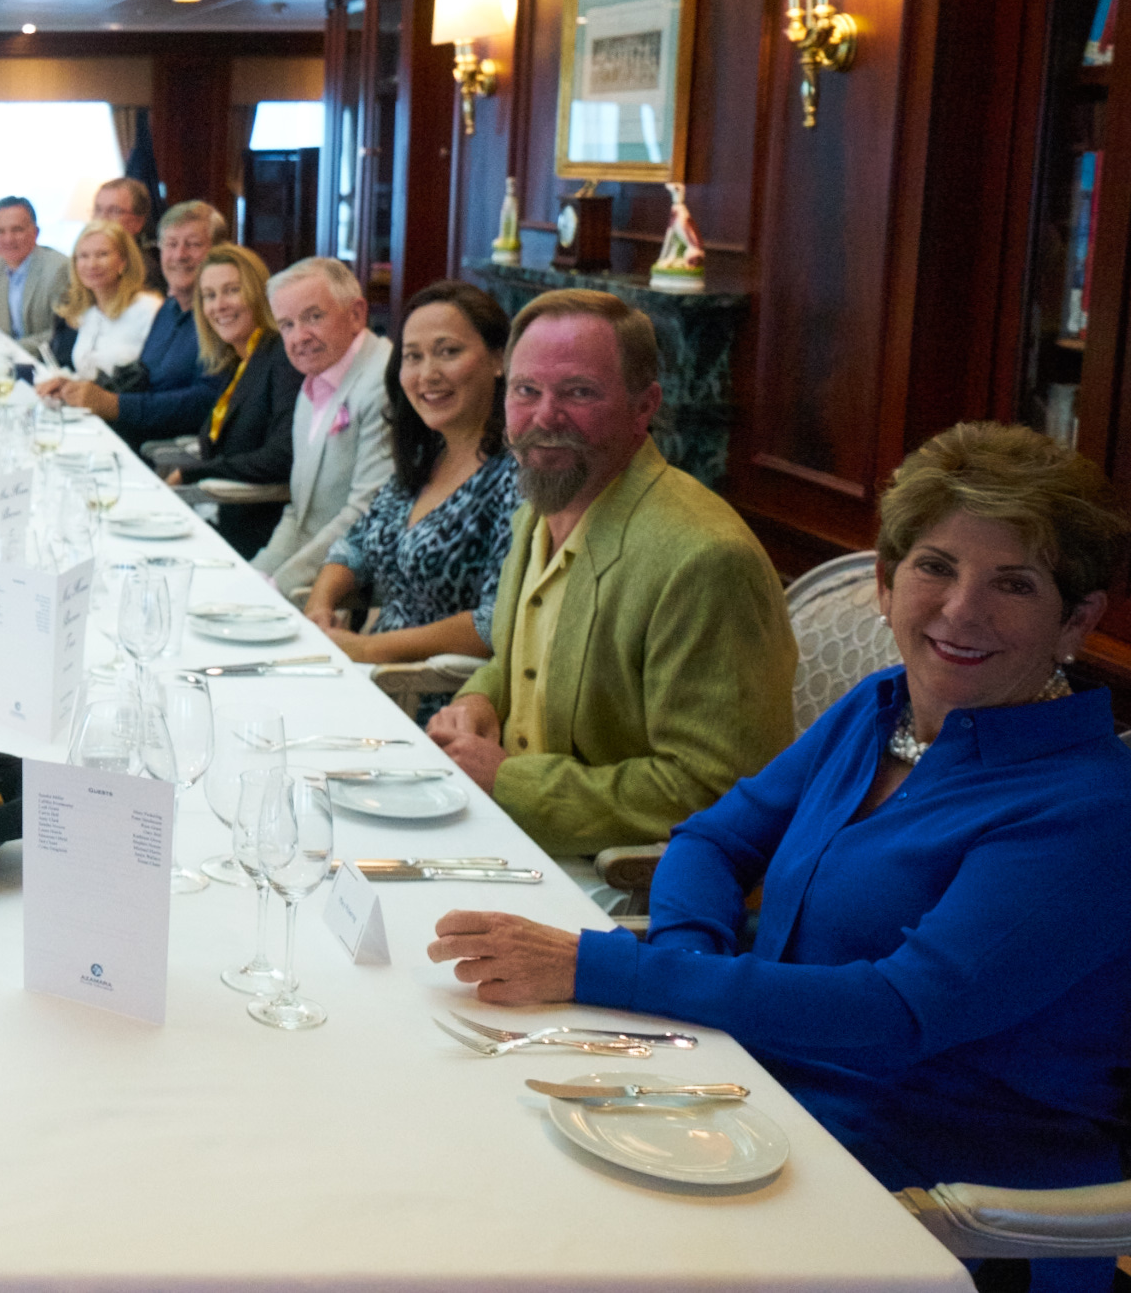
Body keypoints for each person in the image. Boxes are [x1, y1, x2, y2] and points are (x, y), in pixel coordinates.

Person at [432, 424, 1131, 1293]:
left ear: (1078, 619)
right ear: (885, 581)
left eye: (1014, 584)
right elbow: (711, 840)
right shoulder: (880, 713)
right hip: (756, 1099)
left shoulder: (1090, 806)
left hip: (940, 1202)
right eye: (936, 566)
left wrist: (607, 966)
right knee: (473, 1162)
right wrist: (684, 956)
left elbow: (898, 1011)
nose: (960, 609)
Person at [426, 288, 795, 857]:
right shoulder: (540, 507)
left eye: (579, 392)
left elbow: (716, 789)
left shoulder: (705, 559)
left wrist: (508, 780)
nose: (545, 417)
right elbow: (519, 663)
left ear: (644, 407)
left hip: (613, 885)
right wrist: (477, 702)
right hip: (506, 835)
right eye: (526, 391)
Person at [304, 281, 520, 668]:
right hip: (372, 677)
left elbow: (497, 620)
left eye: (448, 352)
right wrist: (321, 604)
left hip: (439, 702)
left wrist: (370, 650)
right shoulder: (426, 456)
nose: (427, 374)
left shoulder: (516, 476)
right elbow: (354, 547)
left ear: (498, 359)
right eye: (413, 357)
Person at [250, 256, 395, 594]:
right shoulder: (316, 378)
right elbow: (300, 513)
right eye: (286, 325)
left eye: (313, 317)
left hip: (352, 588)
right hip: (306, 576)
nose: (299, 337)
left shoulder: (382, 381)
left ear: (356, 314)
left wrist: (279, 587)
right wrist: (256, 576)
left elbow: (365, 513)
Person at [39, 200, 227, 446]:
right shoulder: (168, 311)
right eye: (171, 245)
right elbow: (139, 382)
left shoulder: (220, 316)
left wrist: (114, 405)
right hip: (124, 436)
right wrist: (75, 388)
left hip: (165, 453)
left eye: (193, 245)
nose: (180, 255)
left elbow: (209, 401)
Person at [160, 246, 302, 559]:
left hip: (256, 538)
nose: (219, 305)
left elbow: (281, 457)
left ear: (258, 295)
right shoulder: (239, 361)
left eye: (232, 291)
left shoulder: (281, 357)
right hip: (220, 520)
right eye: (209, 296)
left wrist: (192, 474)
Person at [49, 221, 161, 381]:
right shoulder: (86, 311)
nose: (91, 264)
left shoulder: (148, 309)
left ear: (123, 261)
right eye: (84, 256)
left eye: (102, 255)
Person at [0, 196, 71, 341]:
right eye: (1, 231)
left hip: (41, 360)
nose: (8, 239)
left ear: (35, 233)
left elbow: (61, 333)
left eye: (17, 230)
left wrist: (14, 350)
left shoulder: (58, 268)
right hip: (6, 357)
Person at [91, 176, 163, 290]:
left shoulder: (143, 272)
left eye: (114, 211)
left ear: (138, 222)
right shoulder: (83, 263)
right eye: (98, 210)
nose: (102, 219)